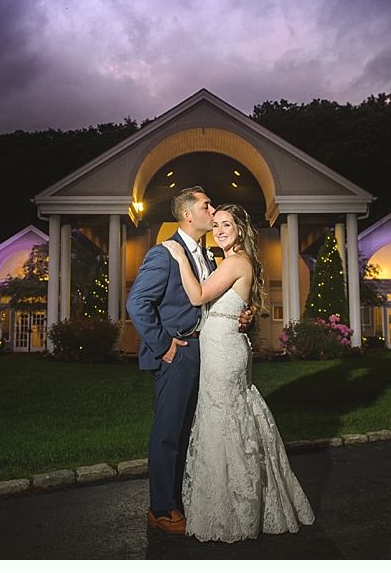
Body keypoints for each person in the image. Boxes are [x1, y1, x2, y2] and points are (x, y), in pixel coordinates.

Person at [160, 203, 315, 543]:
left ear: (240, 230)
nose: (218, 230)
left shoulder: (235, 262)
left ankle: (234, 507)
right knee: (227, 418)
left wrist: (179, 256)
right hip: (224, 343)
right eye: (215, 224)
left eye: (226, 224)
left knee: (225, 419)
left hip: (224, 350)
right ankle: (225, 499)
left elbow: (199, 294)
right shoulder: (231, 262)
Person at [126, 186, 251, 535]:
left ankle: (182, 500)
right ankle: (162, 509)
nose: (212, 211)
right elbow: (137, 304)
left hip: (208, 352)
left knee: (191, 432)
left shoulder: (211, 256)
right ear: (188, 215)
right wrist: (163, 345)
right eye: (206, 205)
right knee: (168, 432)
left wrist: (241, 315)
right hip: (177, 352)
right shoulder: (165, 254)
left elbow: (213, 301)